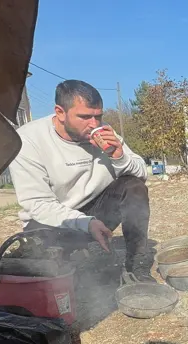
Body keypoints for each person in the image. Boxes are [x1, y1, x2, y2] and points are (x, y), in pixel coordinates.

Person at [10, 80, 149, 274]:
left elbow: (142, 174)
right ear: (60, 112)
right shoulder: (28, 140)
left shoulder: (104, 131)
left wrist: (119, 157)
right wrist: (85, 223)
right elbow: (38, 204)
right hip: (51, 224)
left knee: (134, 187)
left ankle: (138, 269)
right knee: (64, 274)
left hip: (95, 215)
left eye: (98, 116)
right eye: (84, 117)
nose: (94, 124)